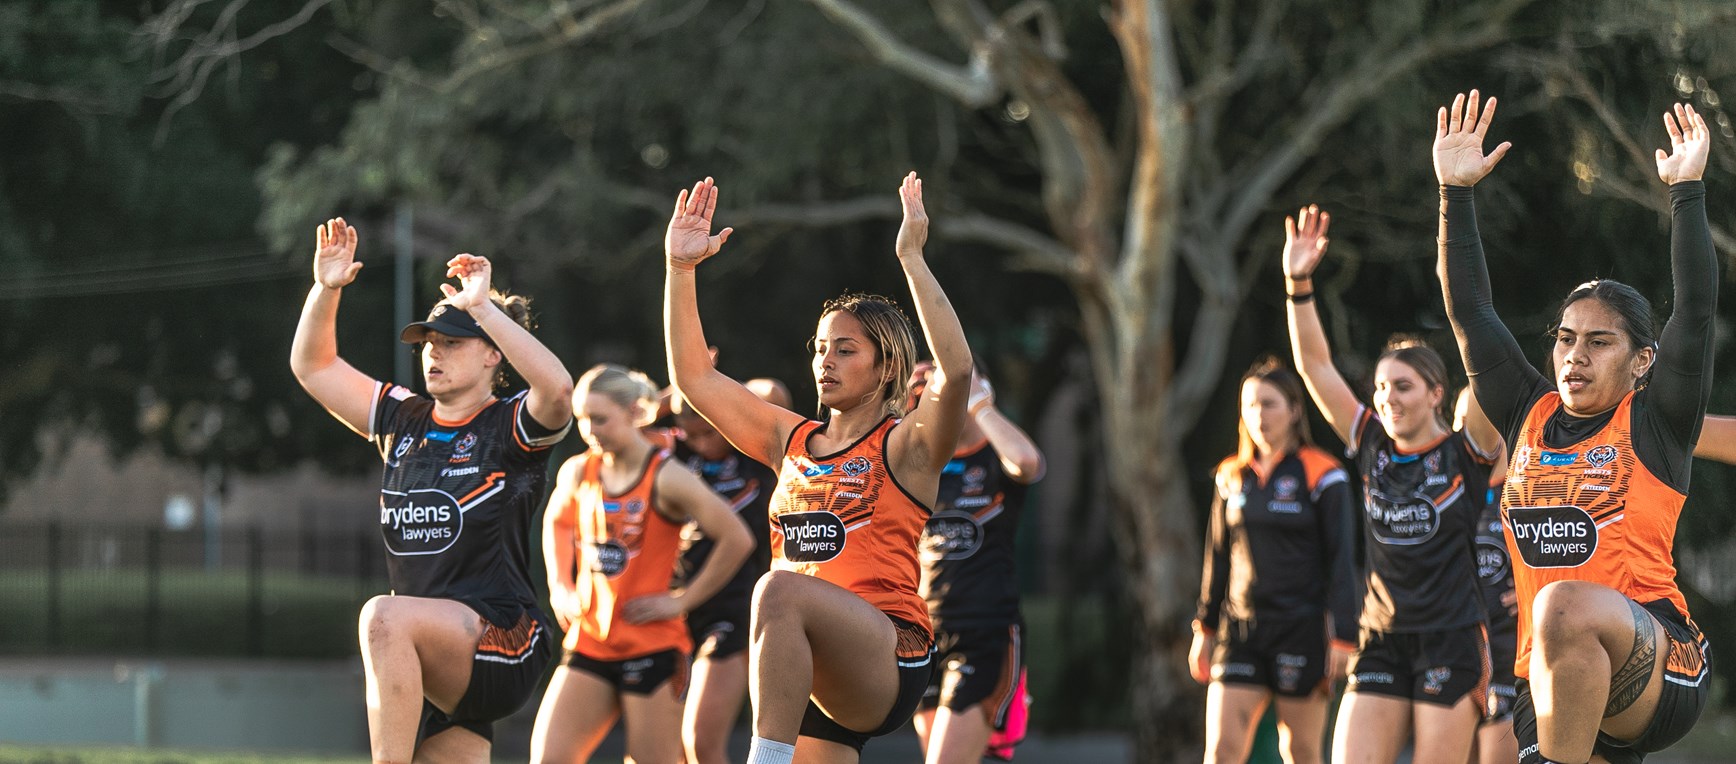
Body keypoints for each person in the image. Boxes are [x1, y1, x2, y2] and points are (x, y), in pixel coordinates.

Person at [1435, 90, 1715, 764]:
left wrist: (1687, 193)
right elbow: (1471, 311)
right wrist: (1454, 193)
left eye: (1598, 342)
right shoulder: (1524, 411)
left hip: (1660, 659)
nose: (1574, 356)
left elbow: (1698, 311)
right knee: (1557, 619)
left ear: (1642, 361)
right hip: (1553, 677)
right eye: (1564, 340)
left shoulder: (1656, 424)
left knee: (1561, 602)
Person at [663, 173, 972, 764]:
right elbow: (694, 379)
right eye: (820, 348)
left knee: (778, 588)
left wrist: (911, 258)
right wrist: (680, 271)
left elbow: (956, 373)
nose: (824, 361)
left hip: (886, 653)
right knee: (784, 596)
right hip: (802, 663)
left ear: (886, 371)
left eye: (845, 349)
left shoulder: (907, 446)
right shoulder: (791, 438)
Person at [290, 219, 574, 763]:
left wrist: (484, 309)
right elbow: (313, 365)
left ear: (493, 355)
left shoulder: (509, 425)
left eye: (452, 343)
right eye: (429, 344)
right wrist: (325, 290)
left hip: (503, 638)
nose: (433, 353)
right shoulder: (405, 418)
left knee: (382, 616)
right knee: (395, 624)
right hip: (432, 651)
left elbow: (558, 388)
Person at [1284, 205, 1498, 763]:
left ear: (1435, 393)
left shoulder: (1464, 452)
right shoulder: (1372, 445)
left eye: (1402, 387)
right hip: (1380, 640)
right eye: (1381, 389)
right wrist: (1298, 282)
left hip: (1451, 639)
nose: (1388, 399)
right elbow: (1314, 366)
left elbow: (1490, 370)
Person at [530, 364, 753, 764]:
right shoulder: (580, 470)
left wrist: (682, 600)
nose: (589, 430)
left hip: (651, 647)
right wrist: (560, 585)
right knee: (550, 758)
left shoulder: (667, 476)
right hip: (591, 642)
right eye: (581, 419)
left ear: (634, 414)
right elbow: (557, 522)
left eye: (600, 419)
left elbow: (737, 538)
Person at [1190, 356, 1358, 764]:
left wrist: (1343, 637)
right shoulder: (1231, 475)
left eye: (1269, 404)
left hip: (1301, 630)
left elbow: (1342, 561)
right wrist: (1205, 628)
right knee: (1221, 751)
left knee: (1299, 751)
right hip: (1240, 633)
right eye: (1250, 405)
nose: (1258, 415)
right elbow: (1216, 558)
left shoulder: (1324, 474)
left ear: (1295, 410)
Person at [906, 362, 1045, 764]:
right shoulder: (920, 465)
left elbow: (1028, 463)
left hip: (984, 635)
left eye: (943, 382)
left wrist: (980, 405)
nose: (929, 395)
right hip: (924, 636)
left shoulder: (996, 456)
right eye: (920, 389)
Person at [670, 392, 781, 764]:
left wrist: (710, 388)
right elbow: (627, 417)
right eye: (692, 435)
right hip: (675, 609)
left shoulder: (754, 452)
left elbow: (773, 392)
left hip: (736, 609)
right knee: (662, 748)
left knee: (700, 741)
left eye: (708, 433)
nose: (702, 443)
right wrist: (677, 393)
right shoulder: (678, 455)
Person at [1455, 388, 1519, 764]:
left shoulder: (1532, 491)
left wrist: (1534, 593)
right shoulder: (1444, 491)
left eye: (1480, 420)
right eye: (1461, 423)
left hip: (1509, 653)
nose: (1471, 431)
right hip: (1453, 649)